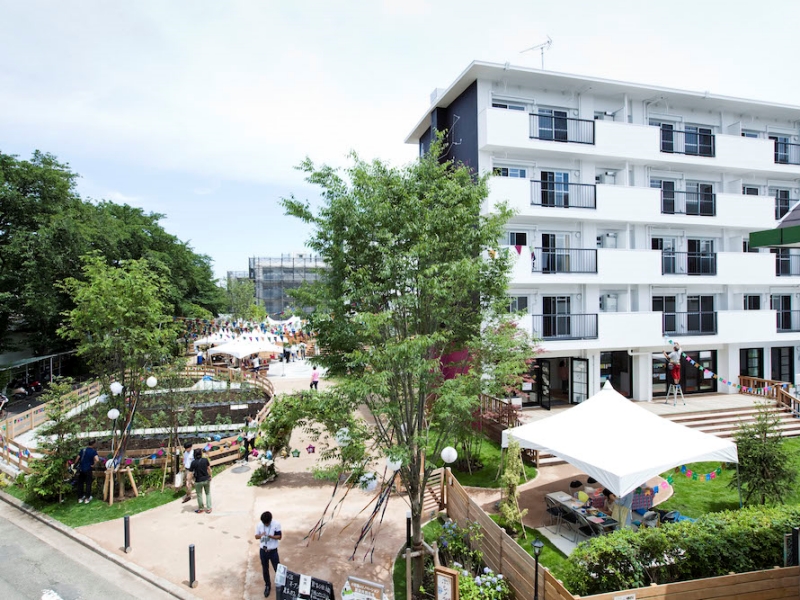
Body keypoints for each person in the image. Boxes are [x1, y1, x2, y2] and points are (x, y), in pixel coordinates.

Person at [255, 510, 282, 597]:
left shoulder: (276, 524)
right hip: (263, 551)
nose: (266, 525)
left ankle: (281, 585)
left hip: (273, 551)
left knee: (277, 568)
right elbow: (256, 536)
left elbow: (279, 536)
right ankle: (267, 585)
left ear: (270, 520)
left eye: (267, 523)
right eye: (264, 523)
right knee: (265, 569)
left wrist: (272, 537)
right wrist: (261, 535)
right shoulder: (259, 525)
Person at [76, 439, 100, 504]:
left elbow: (77, 458)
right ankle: (87, 498)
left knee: (80, 483)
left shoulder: (83, 450)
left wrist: (76, 464)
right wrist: (93, 465)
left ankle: (80, 498)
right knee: (88, 483)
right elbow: (97, 460)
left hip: (81, 469)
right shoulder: (93, 451)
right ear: (93, 444)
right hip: (88, 469)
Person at [190, 448, 212, 514]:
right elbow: (209, 469)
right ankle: (209, 508)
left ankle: (201, 509)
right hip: (206, 479)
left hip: (198, 481)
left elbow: (190, 473)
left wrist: (189, 481)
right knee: (208, 493)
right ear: (201, 454)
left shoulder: (193, 463)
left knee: (199, 495)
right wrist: (210, 476)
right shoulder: (205, 460)